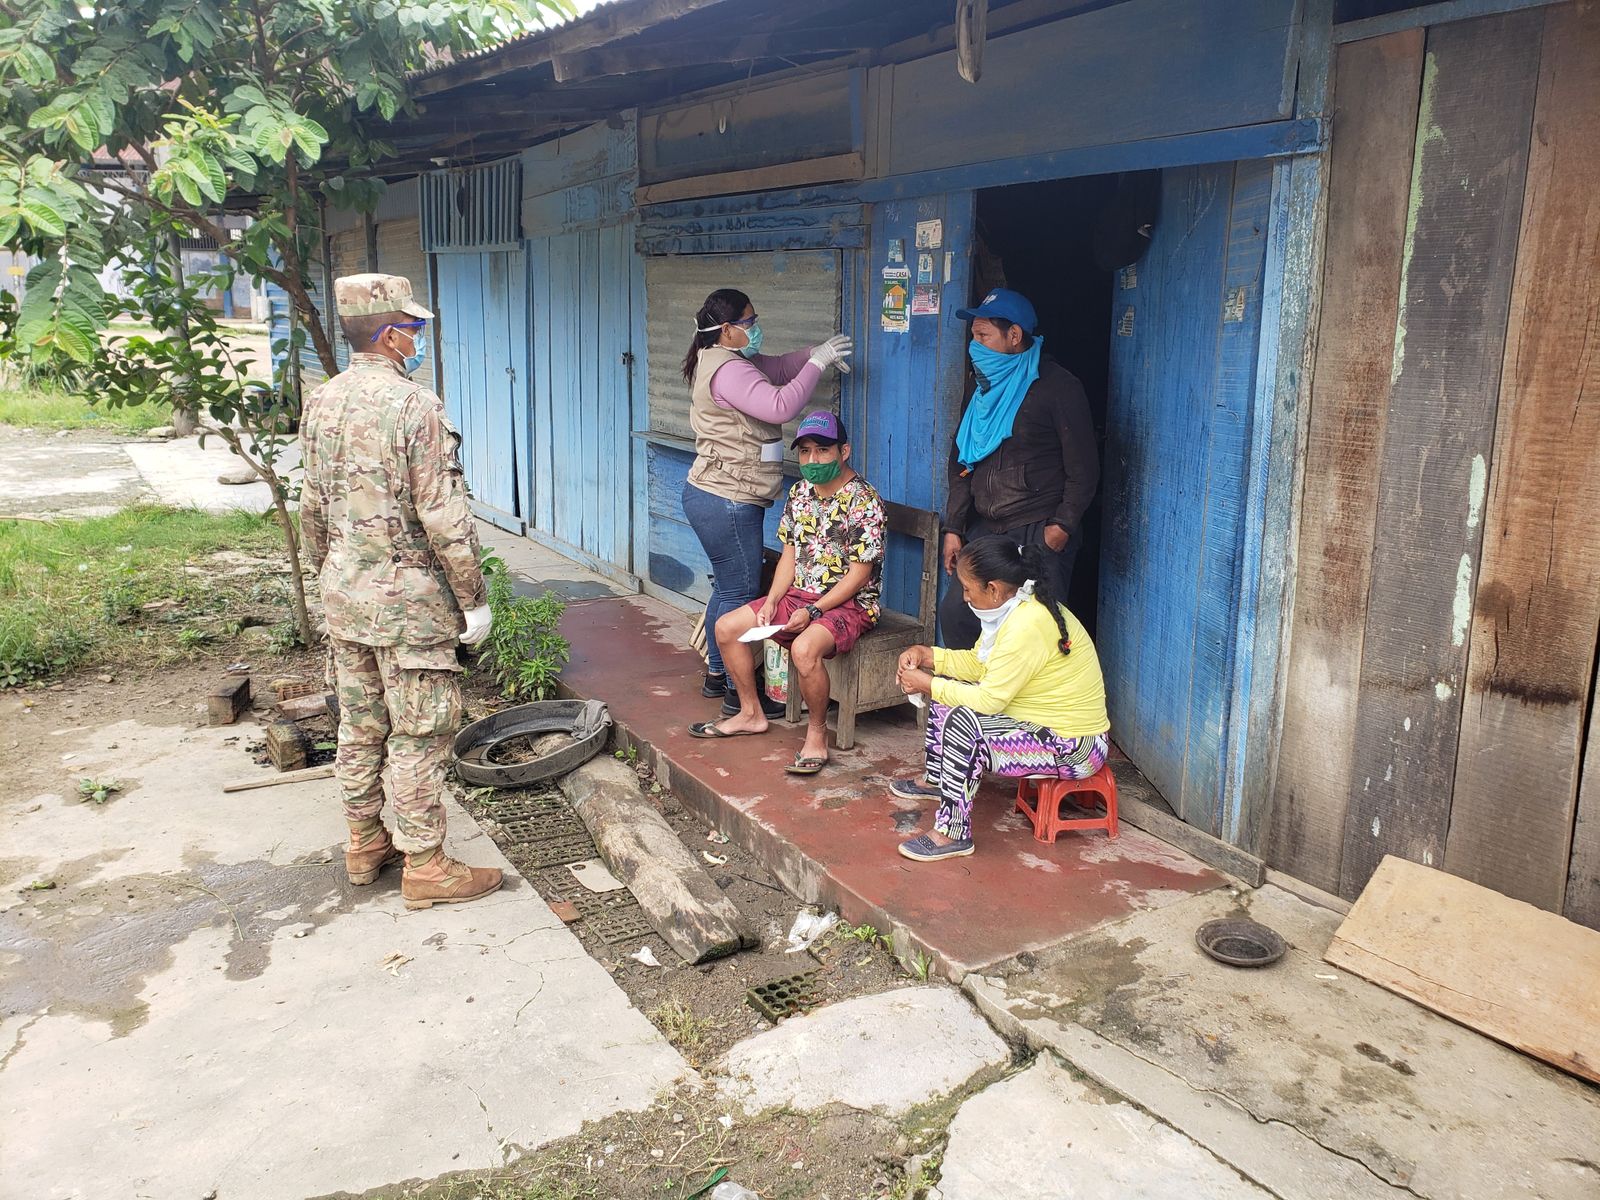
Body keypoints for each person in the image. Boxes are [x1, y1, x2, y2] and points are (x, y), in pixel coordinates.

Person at [299, 272, 503, 910]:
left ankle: (364, 843)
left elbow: (312, 507)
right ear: (390, 335)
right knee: (419, 732)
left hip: (345, 598)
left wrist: (328, 577)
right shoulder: (416, 406)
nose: (417, 339)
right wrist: (473, 598)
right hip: (409, 605)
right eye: (413, 328)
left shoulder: (322, 400)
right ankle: (426, 865)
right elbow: (444, 516)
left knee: (359, 725)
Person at [680, 288, 852, 718]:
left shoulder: (726, 357)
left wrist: (814, 352)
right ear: (727, 329)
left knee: (728, 586)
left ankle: (717, 674)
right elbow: (779, 406)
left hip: (716, 491)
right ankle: (735, 690)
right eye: (750, 322)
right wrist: (818, 363)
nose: (756, 328)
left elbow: (776, 367)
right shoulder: (728, 370)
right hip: (728, 497)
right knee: (738, 591)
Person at [688, 412, 884, 775]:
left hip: (850, 604)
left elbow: (860, 575)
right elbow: (789, 557)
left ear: (844, 451)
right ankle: (750, 713)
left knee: (804, 649)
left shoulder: (864, 500)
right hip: (798, 597)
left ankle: (816, 734)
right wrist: (773, 600)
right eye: (805, 451)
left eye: (822, 450)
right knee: (727, 628)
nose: (812, 460)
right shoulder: (800, 493)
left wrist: (814, 611)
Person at [893, 537, 1109, 862]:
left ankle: (953, 833)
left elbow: (989, 700)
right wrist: (929, 656)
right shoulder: (1013, 607)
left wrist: (927, 683)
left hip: (1076, 747)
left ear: (993, 589)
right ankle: (938, 780)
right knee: (948, 688)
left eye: (968, 589)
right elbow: (979, 665)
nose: (965, 597)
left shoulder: (1027, 623)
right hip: (1041, 726)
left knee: (962, 720)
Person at [939, 288, 1099, 651]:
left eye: (983, 336)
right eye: (973, 336)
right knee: (958, 614)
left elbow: (1084, 469)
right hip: (988, 530)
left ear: (1014, 335)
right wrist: (954, 528)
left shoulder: (1057, 386)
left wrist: (1061, 526)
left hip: (1037, 528)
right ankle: (974, 689)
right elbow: (962, 462)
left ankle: (1030, 693)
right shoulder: (981, 388)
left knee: (1038, 631)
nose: (974, 346)